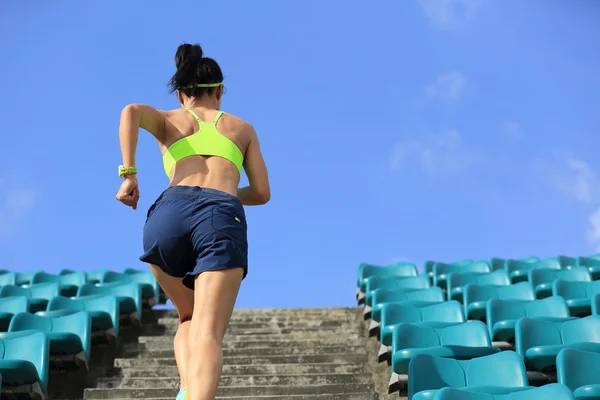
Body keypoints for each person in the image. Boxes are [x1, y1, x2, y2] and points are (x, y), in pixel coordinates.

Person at [115, 43, 270, 400]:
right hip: (219, 215)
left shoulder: (171, 119)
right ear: (219, 91)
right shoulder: (241, 128)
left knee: (188, 317)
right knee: (208, 332)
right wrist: (228, 193)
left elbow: (130, 111)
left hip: (166, 214)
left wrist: (129, 174)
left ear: (183, 94)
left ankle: (187, 387)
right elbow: (262, 193)